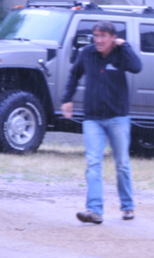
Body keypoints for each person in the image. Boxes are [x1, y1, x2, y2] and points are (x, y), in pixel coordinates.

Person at [61, 21, 142, 224]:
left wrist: (125, 46)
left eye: (103, 36)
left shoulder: (121, 53)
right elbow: (74, 74)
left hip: (118, 117)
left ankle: (127, 206)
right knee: (93, 162)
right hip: (93, 119)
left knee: (122, 163)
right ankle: (94, 210)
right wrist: (67, 99)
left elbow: (136, 67)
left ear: (113, 37)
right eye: (96, 36)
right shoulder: (87, 53)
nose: (98, 40)